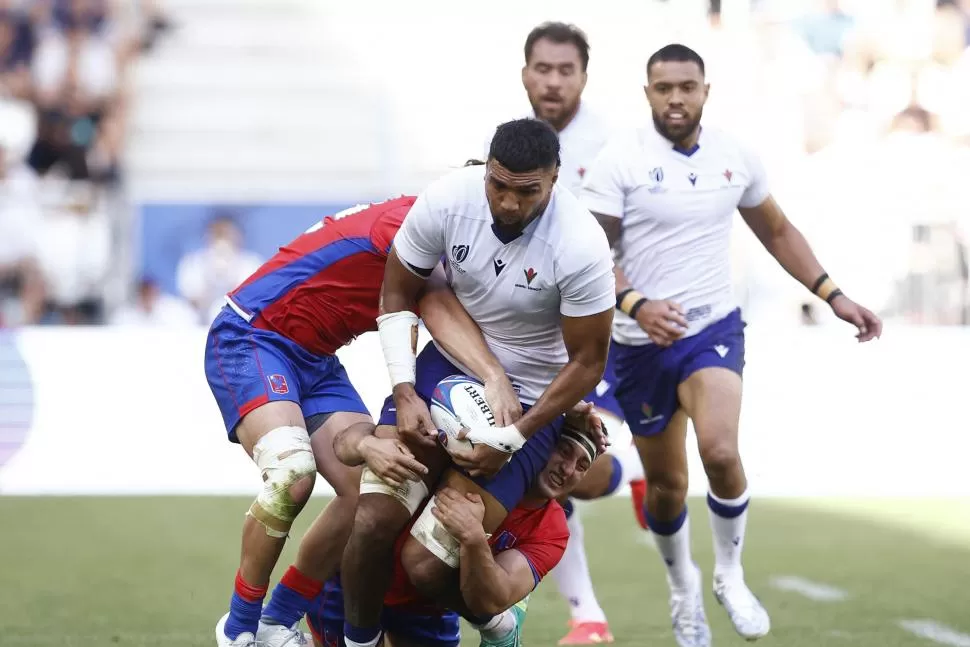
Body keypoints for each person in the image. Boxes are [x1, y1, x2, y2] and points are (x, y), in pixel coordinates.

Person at [580, 43, 883, 647]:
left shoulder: (734, 157)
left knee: (719, 452)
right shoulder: (619, 160)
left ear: (705, 91)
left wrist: (834, 295)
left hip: (712, 328)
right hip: (638, 344)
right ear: (647, 94)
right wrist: (637, 303)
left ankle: (729, 575)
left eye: (686, 86)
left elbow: (776, 229)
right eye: (663, 87)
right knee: (666, 487)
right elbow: (590, 256)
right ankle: (683, 589)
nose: (675, 97)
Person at [339, 117, 616, 647]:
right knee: (372, 521)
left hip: (531, 403)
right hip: (447, 366)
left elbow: (587, 363)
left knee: (425, 564)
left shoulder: (580, 244)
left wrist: (514, 439)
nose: (508, 203)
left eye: (526, 191)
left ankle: (497, 623)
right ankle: (359, 642)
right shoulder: (447, 200)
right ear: (486, 170)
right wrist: (403, 389)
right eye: (498, 185)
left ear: (554, 180)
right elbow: (397, 294)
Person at [204, 197, 523, 647]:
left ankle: (279, 620)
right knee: (291, 472)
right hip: (253, 335)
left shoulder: (449, 235)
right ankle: (238, 630)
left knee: (367, 491)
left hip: (315, 359)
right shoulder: (418, 223)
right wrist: (489, 378)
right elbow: (431, 306)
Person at [510, 21, 651, 645]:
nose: (553, 80)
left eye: (565, 70)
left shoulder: (616, 146)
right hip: (536, 336)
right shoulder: (510, 147)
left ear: (583, 77)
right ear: (525, 73)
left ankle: (631, 476)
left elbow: (623, 241)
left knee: (566, 466)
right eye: (543, 68)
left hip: (608, 337)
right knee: (544, 467)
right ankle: (588, 618)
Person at [308, 423, 602, 647]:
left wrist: (473, 540)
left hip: (428, 611)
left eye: (582, 465)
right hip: (355, 588)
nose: (567, 469)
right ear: (543, 443)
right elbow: (346, 442)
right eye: (564, 451)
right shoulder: (476, 453)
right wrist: (364, 442)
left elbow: (494, 599)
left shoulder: (552, 528)